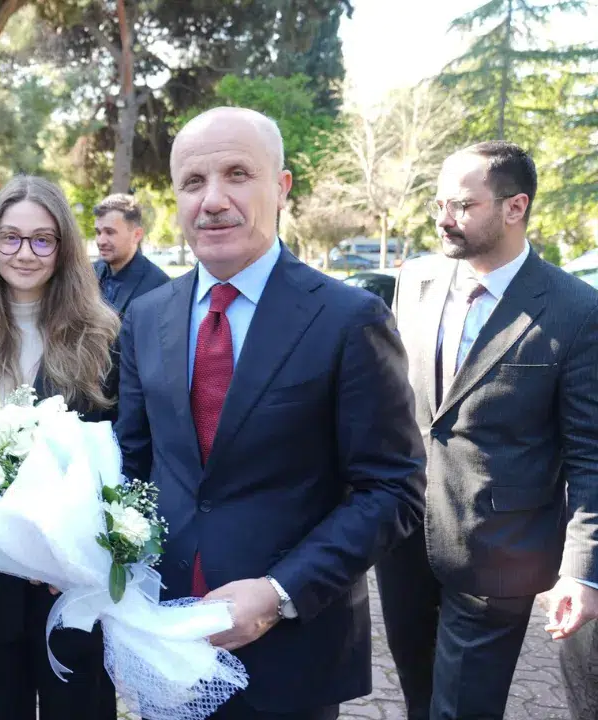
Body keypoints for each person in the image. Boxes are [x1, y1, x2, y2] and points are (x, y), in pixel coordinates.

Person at [115, 107, 426, 720]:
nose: (213, 200)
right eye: (193, 183)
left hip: (291, 650)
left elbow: (393, 490)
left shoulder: (347, 320)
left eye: (237, 174)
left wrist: (279, 592)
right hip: (167, 639)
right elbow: (133, 463)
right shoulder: (145, 318)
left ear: (281, 188)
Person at [376, 141, 598, 720]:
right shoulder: (417, 280)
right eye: (438, 204)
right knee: (420, 701)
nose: (443, 219)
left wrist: (583, 571)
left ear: (515, 207)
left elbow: (590, 455)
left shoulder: (576, 310)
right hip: (404, 541)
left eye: (462, 206)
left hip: (500, 554)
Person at [0, 176, 121, 720]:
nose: (25, 253)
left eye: (42, 239)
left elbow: (125, 460)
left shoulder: (104, 339)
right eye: (11, 238)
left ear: (64, 248)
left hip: (73, 585)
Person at [91, 193, 169, 316]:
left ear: (136, 235)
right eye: (98, 232)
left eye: (110, 232)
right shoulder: (89, 273)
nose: (101, 241)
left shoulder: (158, 285)